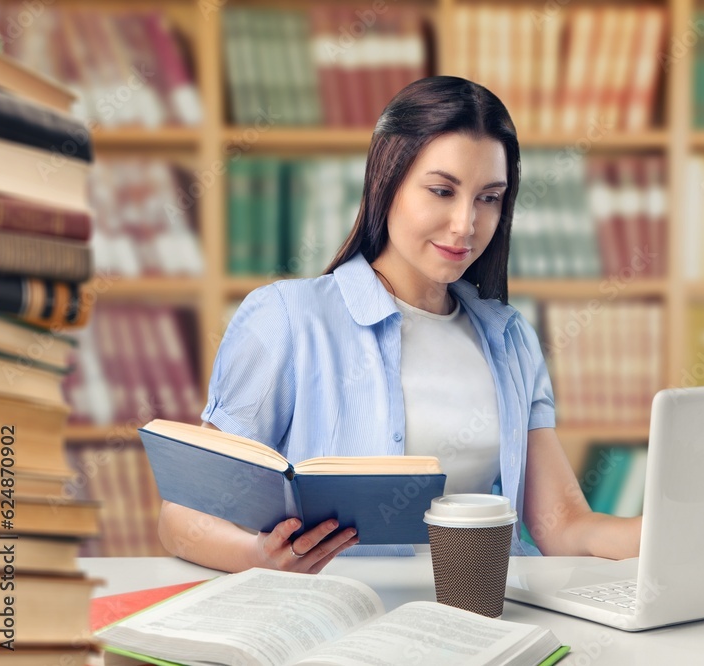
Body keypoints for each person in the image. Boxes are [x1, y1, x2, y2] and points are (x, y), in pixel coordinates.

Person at [158, 76, 641, 573]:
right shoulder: (286, 318)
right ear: (386, 180)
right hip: (344, 625)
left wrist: (661, 532)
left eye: (489, 197)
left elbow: (562, 527)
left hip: (480, 611)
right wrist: (260, 557)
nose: (465, 224)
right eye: (441, 190)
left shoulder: (510, 338)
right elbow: (182, 518)